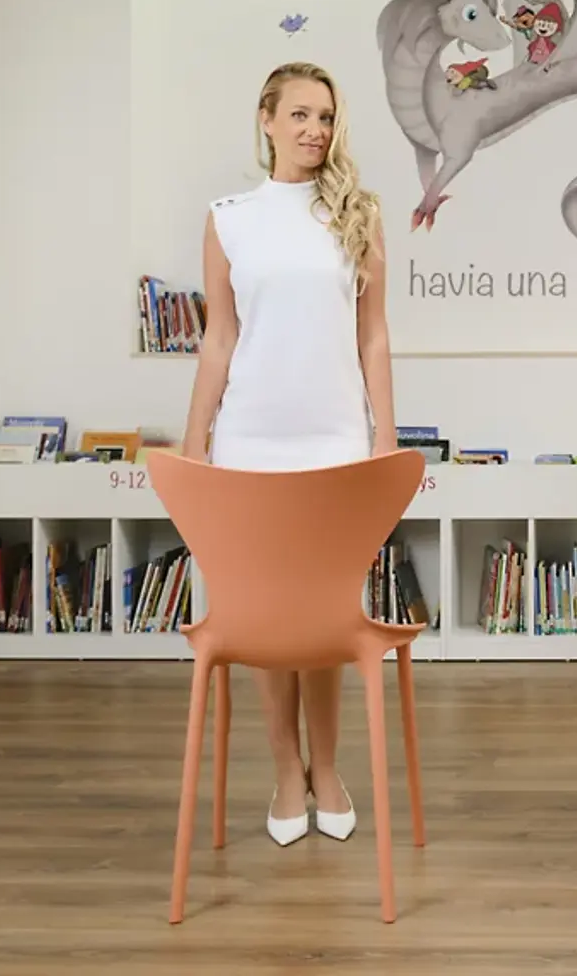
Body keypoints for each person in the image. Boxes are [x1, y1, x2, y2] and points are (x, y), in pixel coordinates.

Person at [181, 61, 398, 847]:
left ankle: (328, 769)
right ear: (266, 118)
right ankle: (284, 771)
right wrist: (195, 444)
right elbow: (219, 339)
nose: (315, 130)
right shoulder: (229, 219)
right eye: (301, 114)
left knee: (326, 619)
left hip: (337, 444)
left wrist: (384, 438)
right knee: (271, 622)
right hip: (250, 444)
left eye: (327, 117)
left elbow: (373, 336)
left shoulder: (358, 214)